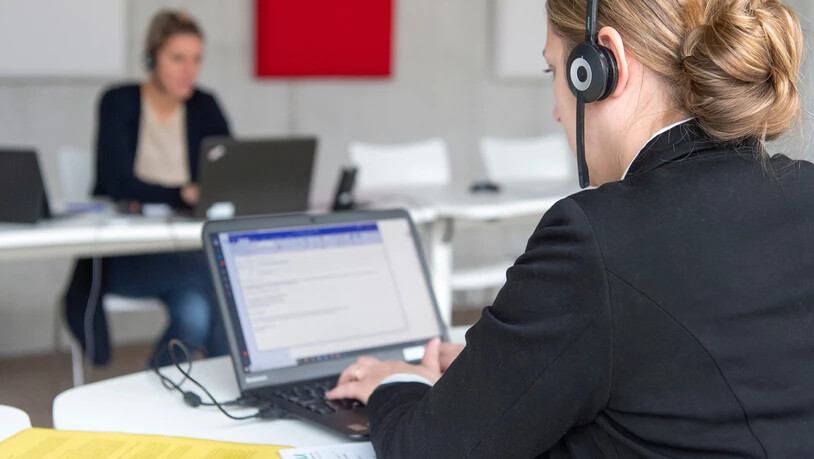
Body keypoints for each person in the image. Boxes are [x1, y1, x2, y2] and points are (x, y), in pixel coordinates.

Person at [327, 0, 814, 456]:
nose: (557, 109)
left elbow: (428, 449)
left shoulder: (595, 237)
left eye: (554, 71)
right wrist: (503, 377)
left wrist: (395, 382)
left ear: (603, 65)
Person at [64, 10, 230, 367]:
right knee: (218, 272)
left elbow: (227, 172)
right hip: (124, 255)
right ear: (151, 57)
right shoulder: (119, 101)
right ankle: (239, 385)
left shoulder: (205, 106)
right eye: (178, 58)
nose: (189, 70)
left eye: (196, 59)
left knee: (195, 315)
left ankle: (156, 387)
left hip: (185, 249)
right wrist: (182, 194)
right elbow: (117, 182)